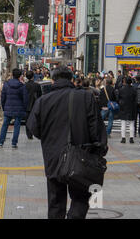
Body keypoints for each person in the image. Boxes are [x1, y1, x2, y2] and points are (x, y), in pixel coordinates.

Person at [26, 66, 107, 219]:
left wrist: (50, 137)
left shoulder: (43, 101)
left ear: (52, 80)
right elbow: (95, 127)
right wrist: (99, 149)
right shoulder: (85, 97)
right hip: (82, 156)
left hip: (53, 156)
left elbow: (33, 128)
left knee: (56, 200)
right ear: (71, 79)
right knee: (81, 197)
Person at [0, 68, 28, 148]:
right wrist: (24, 108)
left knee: (5, 125)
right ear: (20, 76)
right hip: (19, 108)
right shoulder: (22, 86)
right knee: (17, 126)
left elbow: (3, 97)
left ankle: (1, 142)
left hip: (8, 107)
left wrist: (4, 107)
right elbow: (25, 99)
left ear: (12, 75)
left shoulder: (6, 84)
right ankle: (14, 143)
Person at [118, 77, 137, 144]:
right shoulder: (134, 89)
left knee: (123, 123)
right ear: (131, 82)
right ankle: (131, 138)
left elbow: (118, 98)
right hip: (132, 107)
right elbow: (136, 99)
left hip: (123, 107)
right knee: (131, 123)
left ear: (125, 82)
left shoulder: (121, 89)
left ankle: (123, 138)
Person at [25, 70, 42, 140]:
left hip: (26, 105)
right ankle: (34, 132)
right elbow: (40, 95)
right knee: (35, 120)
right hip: (35, 104)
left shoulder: (24, 85)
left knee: (27, 120)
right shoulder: (37, 85)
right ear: (33, 76)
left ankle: (29, 134)